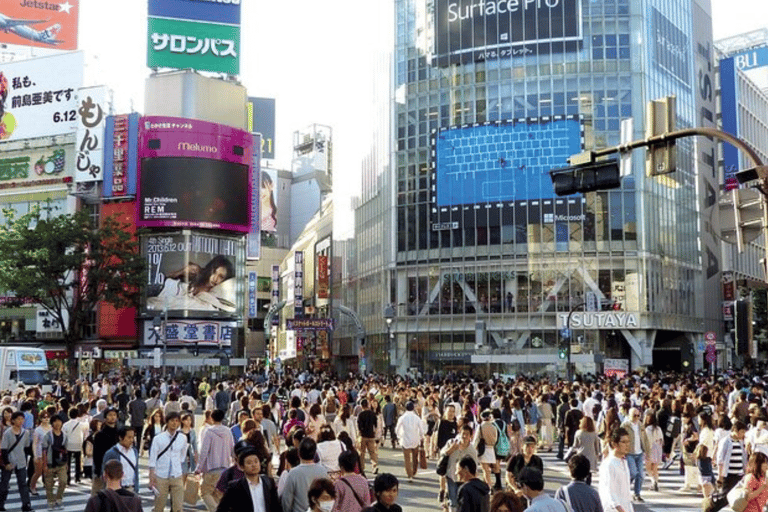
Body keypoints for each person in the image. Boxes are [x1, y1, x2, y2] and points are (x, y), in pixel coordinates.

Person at [215, 449, 281, 512]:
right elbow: (222, 509)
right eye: (249, 463)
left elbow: (276, 507)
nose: (254, 465)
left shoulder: (268, 482)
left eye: (256, 461)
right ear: (242, 467)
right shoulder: (235, 486)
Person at [148, 411, 188, 512]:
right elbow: (152, 459)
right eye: (172, 421)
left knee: (178, 507)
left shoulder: (183, 438)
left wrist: (178, 466)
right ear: (167, 422)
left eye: (177, 421)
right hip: (161, 476)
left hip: (177, 475)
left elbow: (183, 456)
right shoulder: (158, 438)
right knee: (159, 506)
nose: (174, 423)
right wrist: (151, 477)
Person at [706, 420, 748, 512]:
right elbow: (720, 459)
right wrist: (720, 476)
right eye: (742, 432)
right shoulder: (726, 441)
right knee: (723, 498)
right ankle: (709, 510)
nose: (743, 434)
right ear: (736, 430)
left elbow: (743, 458)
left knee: (737, 497)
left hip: (739, 475)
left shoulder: (741, 442)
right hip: (728, 475)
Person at [198, 409, 236, 512]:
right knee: (218, 495)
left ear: (211, 418)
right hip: (225, 469)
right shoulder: (228, 431)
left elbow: (204, 452)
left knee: (204, 493)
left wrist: (198, 468)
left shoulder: (209, 432)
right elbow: (233, 449)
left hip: (211, 469)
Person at [280, 437, 330, 512]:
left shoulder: (293, 473)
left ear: (299, 453)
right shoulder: (323, 471)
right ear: (314, 453)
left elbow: (287, 501)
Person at [0, 411, 33, 512]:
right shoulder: (8, 432)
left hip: (21, 461)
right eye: (18, 419)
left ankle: (26, 504)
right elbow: (4, 449)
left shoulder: (25, 432)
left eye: (22, 419)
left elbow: (27, 448)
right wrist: (6, 463)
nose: (21, 421)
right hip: (9, 461)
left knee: (23, 484)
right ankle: (1, 504)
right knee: (4, 484)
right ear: (13, 420)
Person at [441, 424, 478, 511]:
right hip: (452, 477)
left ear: (471, 436)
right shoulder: (452, 443)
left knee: (463, 502)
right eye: (463, 433)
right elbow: (442, 454)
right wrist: (451, 449)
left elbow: (474, 467)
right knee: (453, 502)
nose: (464, 436)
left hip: (465, 480)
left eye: (467, 434)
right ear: (459, 433)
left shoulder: (472, 450)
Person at [598, 427, 633, 512]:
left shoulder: (623, 461)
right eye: (623, 442)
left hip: (625, 506)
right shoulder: (609, 464)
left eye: (628, 441)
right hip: (612, 509)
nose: (627, 445)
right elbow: (609, 490)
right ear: (614, 444)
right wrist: (619, 508)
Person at [619, 408, 648, 502]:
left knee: (641, 475)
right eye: (634, 415)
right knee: (633, 473)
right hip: (629, 453)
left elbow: (645, 439)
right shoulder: (625, 425)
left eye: (638, 415)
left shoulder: (640, 425)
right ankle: (624, 489)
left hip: (639, 452)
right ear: (630, 416)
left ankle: (637, 493)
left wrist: (648, 451)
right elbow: (620, 438)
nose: (636, 418)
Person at [394, 401, 427, 482]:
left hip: (405, 440)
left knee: (407, 459)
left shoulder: (402, 417)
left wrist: (399, 436)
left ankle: (409, 475)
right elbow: (421, 430)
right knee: (415, 458)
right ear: (413, 408)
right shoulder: (417, 418)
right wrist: (422, 437)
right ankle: (414, 471)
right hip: (415, 440)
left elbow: (397, 429)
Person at [41, 415, 68, 509]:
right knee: (49, 484)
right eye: (55, 421)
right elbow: (44, 450)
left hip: (61, 463)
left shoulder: (64, 435)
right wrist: (44, 465)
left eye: (59, 421)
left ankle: (59, 499)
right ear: (52, 423)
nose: (57, 423)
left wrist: (66, 463)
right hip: (50, 462)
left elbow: (66, 450)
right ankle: (50, 501)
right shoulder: (48, 435)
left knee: (64, 481)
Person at [92, 408, 120, 495]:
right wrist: (98, 470)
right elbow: (96, 454)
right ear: (105, 417)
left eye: (114, 415)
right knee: (97, 496)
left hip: (117, 468)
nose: (112, 417)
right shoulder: (100, 434)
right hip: (102, 468)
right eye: (110, 415)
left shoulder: (120, 433)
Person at [102, 426, 139, 492]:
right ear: (120, 437)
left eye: (133, 437)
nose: (131, 440)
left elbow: (136, 471)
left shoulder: (134, 451)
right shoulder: (111, 453)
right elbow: (105, 473)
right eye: (129, 437)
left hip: (132, 489)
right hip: (117, 490)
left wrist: (136, 487)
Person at [571, 417, 601, 485]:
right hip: (591, 455)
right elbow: (597, 446)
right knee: (589, 473)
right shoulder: (594, 434)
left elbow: (575, 445)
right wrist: (597, 454)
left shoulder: (578, 433)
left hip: (581, 454)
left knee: (581, 471)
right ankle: (588, 484)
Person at [62, 407, 86, 485]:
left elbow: (64, 435)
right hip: (78, 444)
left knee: (68, 462)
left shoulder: (65, 425)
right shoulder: (82, 424)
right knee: (78, 461)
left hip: (68, 444)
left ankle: (68, 478)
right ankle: (77, 477)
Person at [357, 399, 379, 474]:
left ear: (361, 406)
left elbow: (359, 426)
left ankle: (362, 468)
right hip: (371, 435)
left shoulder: (360, 414)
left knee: (361, 453)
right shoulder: (372, 413)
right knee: (372, 452)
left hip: (363, 435)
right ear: (368, 405)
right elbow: (376, 425)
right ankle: (374, 466)